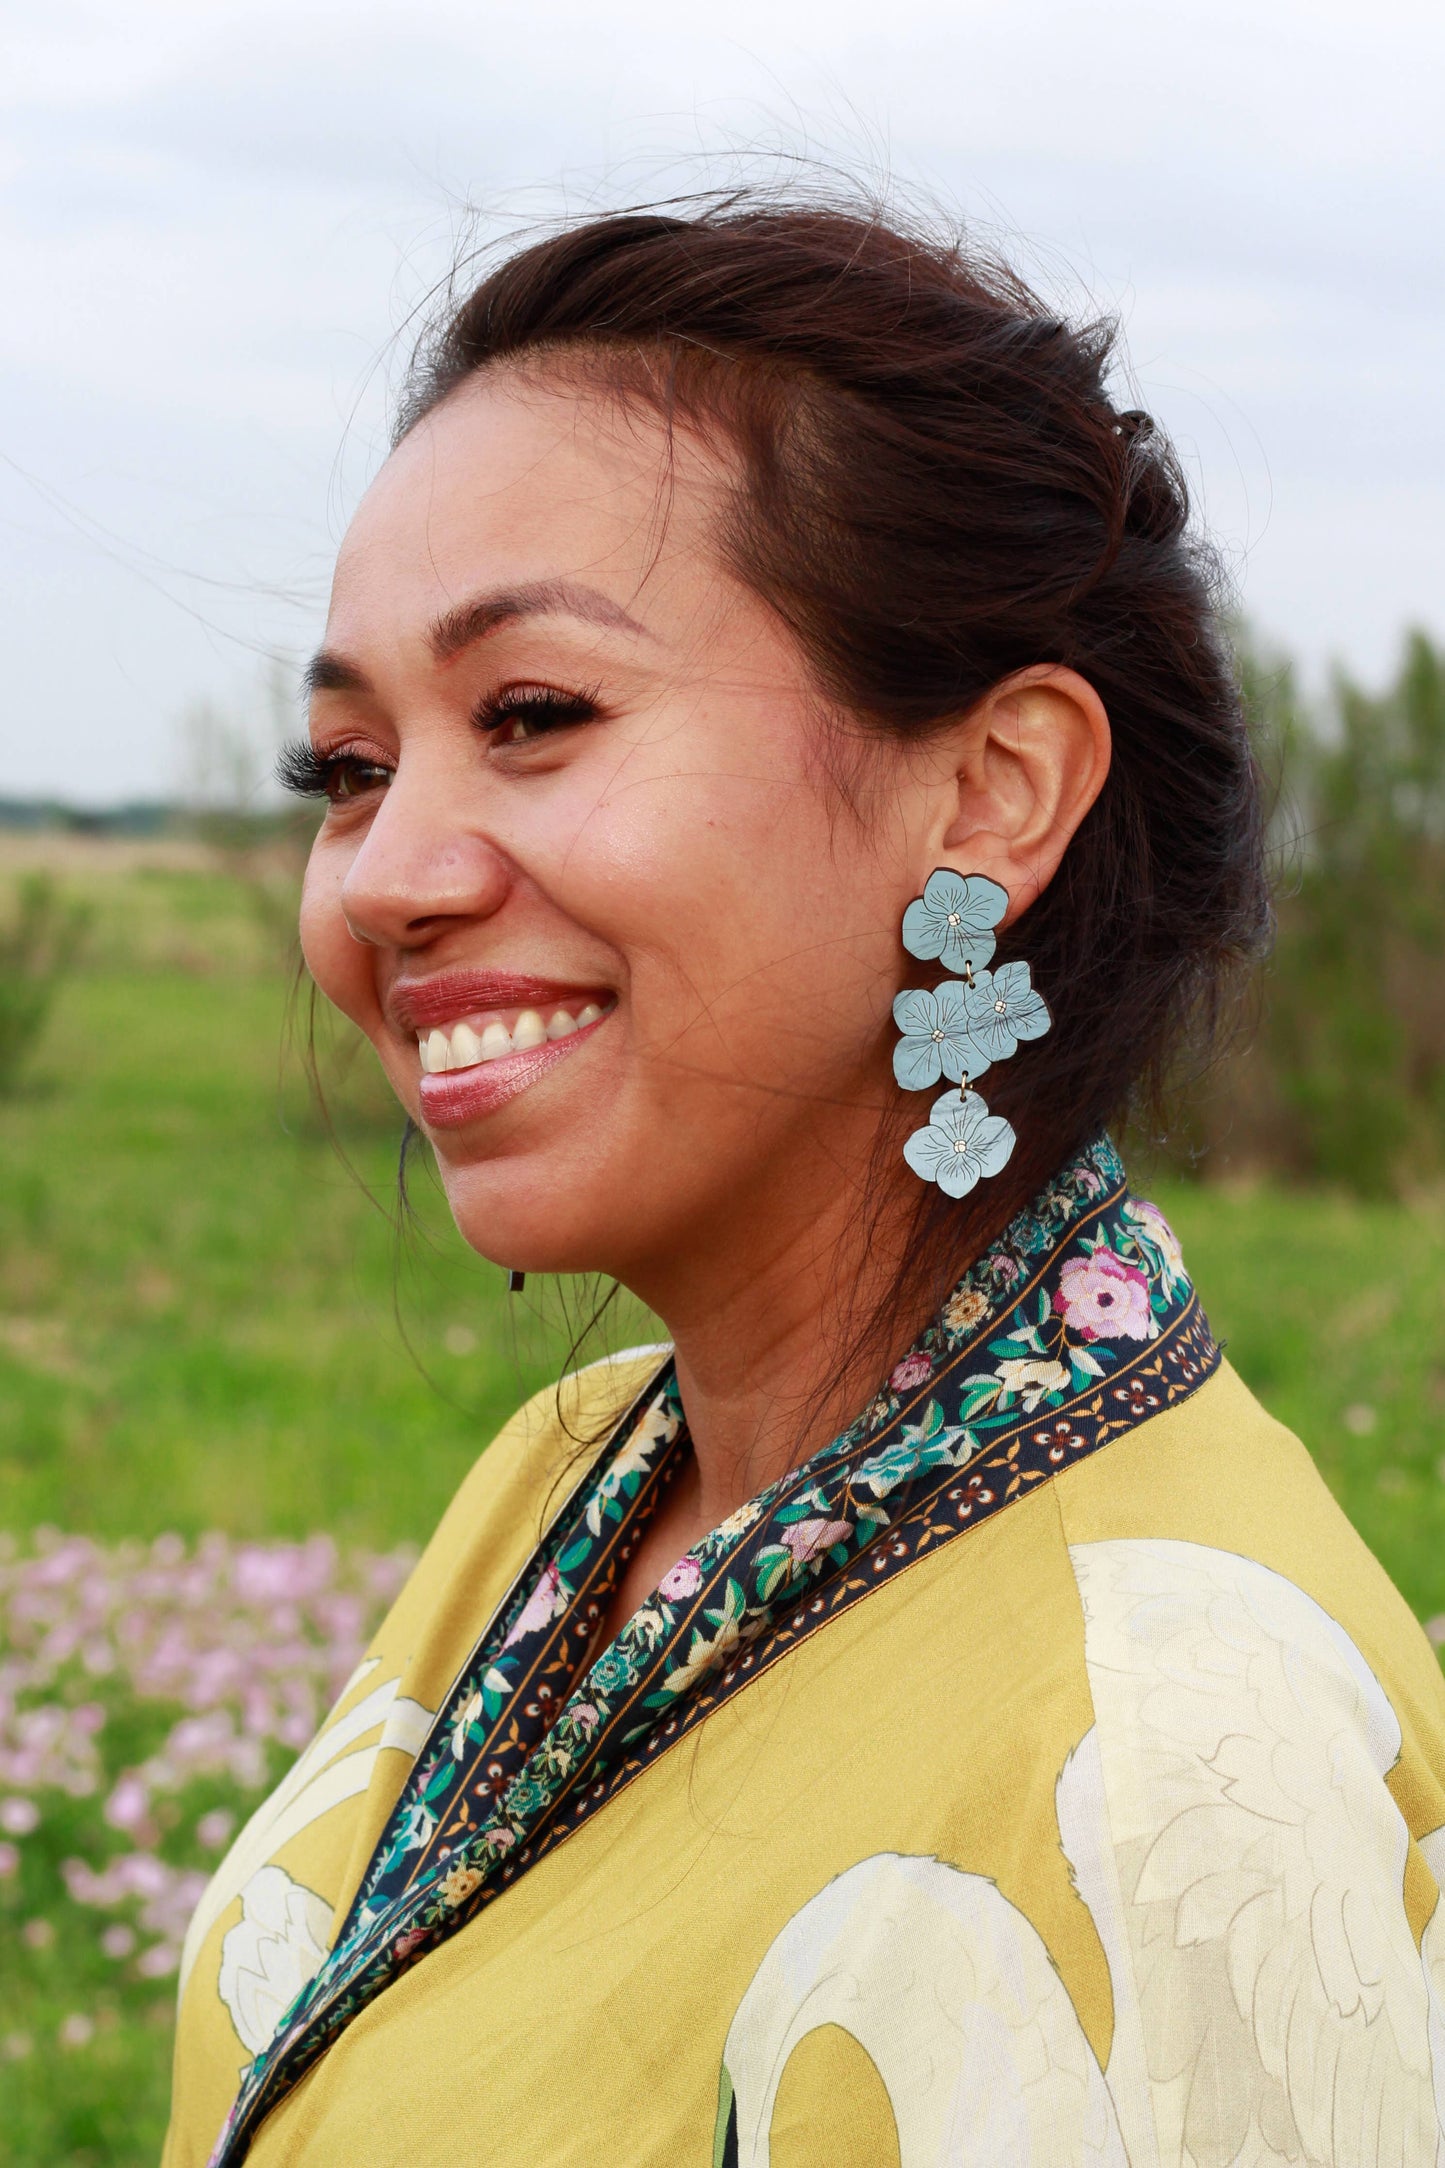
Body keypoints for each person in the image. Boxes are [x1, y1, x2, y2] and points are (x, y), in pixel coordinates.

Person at [164, 193, 1445, 2168]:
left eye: (534, 715)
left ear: (988, 792)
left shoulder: (1175, 1760)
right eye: (347, 765)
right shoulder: (581, 1470)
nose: (389, 875)